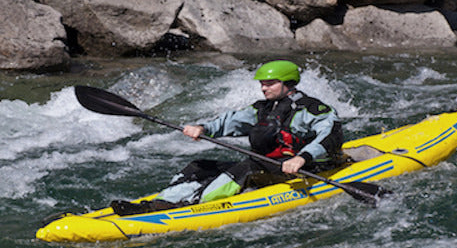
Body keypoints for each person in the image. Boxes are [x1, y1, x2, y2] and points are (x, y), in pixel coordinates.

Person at [111, 60, 344, 216]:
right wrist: (204, 128)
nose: (263, 88)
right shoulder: (263, 108)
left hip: (304, 167)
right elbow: (231, 121)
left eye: (270, 83)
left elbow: (330, 134)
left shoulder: (311, 109)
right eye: (262, 83)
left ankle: (185, 207)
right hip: (270, 166)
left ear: (288, 84)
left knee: (246, 168)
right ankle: (157, 204)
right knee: (198, 167)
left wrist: (302, 158)